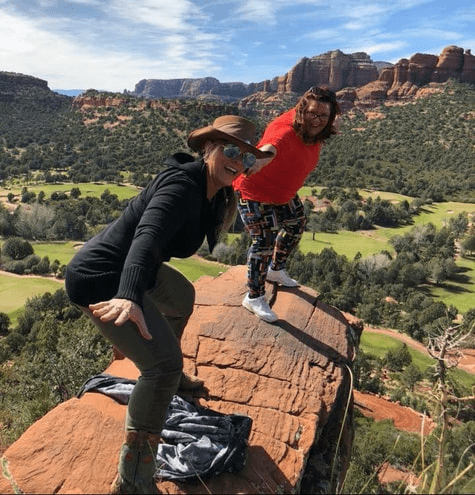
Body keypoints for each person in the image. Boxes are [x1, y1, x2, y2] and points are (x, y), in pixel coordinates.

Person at [65, 115, 272, 494]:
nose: (237, 161)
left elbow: (246, 165)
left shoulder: (217, 186)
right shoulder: (181, 185)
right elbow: (146, 237)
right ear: (208, 148)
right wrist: (128, 297)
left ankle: (169, 379)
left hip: (137, 269)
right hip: (100, 278)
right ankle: (133, 480)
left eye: (244, 157)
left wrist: (254, 160)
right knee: (161, 366)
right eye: (229, 150)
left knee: (183, 297)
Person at [233, 86, 341, 323]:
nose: (316, 120)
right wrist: (259, 159)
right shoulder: (285, 130)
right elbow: (271, 146)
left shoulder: (319, 128)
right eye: (312, 113)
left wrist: (331, 120)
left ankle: (275, 269)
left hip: (282, 192)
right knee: (262, 239)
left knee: (296, 222)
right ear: (302, 109)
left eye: (323, 116)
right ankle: (254, 296)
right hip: (254, 190)